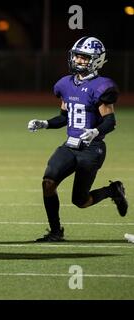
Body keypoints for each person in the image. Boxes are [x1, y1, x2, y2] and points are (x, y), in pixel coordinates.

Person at [28, 36, 128, 242]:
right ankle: (55, 232)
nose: (79, 61)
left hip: (92, 149)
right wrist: (45, 123)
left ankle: (113, 190)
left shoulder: (101, 86)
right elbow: (64, 117)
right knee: (48, 182)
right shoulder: (65, 84)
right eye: (77, 56)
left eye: (84, 57)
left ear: (97, 60)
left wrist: (95, 132)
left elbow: (111, 121)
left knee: (80, 201)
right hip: (70, 146)